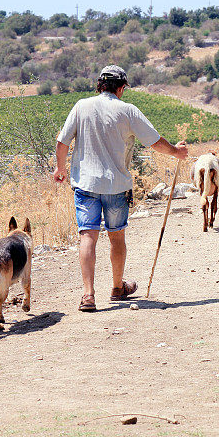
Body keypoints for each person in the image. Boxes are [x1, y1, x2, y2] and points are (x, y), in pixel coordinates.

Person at [53, 65, 188, 311]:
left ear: (100, 85)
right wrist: (176, 152)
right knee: (117, 237)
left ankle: (88, 295)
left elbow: (62, 142)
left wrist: (60, 169)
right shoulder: (128, 110)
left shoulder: (81, 106)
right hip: (116, 185)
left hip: (85, 184)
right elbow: (155, 142)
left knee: (88, 236)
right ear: (121, 87)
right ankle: (117, 288)